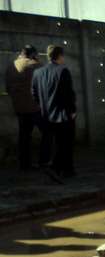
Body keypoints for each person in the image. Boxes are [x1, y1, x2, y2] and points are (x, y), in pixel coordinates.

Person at [32, 45, 76, 181]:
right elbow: (68, 94)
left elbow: (33, 93)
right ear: (60, 56)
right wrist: (72, 111)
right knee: (65, 143)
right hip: (62, 114)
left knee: (55, 142)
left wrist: (43, 107)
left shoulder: (38, 73)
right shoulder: (63, 71)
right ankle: (58, 168)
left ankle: (63, 169)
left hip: (46, 114)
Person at [5, 45, 50, 171]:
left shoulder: (10, 67)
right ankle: (44, 161)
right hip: (36, 108)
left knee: (24, 136)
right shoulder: (35, 65)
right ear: (33, 54)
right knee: (47, 132)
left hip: (19, 108)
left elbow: (8, 89)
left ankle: (25, 165)